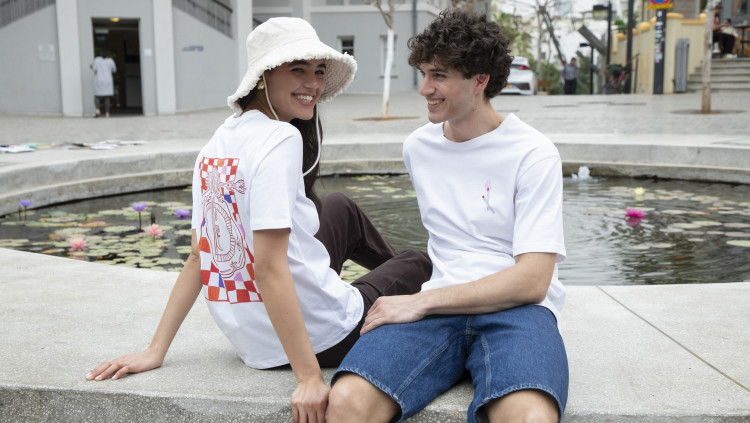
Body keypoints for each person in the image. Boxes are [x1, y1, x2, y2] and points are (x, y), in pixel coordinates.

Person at [85, 17, 431, 423]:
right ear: (263, 76)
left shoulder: (217, 143)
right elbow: (268, 268)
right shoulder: (281, 139)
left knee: (339, 206)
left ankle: (361, 288)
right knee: (417, 262)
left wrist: (155, 350)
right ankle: (404, 304)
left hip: (254, 344)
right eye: (297, 69)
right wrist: (308, 378)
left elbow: (199, 255)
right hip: (326, 337)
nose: (313, 84)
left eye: (319, 71)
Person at [328, 9, 568, 423]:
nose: (425, 89)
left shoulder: (534, 153)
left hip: (518, 311)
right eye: (423, 73)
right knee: (347, 401)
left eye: (438, 75)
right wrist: (428, 303)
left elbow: (532, 281)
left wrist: (420, 301)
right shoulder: (418, 147)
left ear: (480, 80)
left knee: (529, 418)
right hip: (437, 310)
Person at [90, 50, 117, 117]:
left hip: (99, 80)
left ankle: (97, 110)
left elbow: (94, 69)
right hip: (108, 80)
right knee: (107, 97)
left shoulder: (97, 60)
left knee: (97, 96)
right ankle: (107, 113)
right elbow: (114, 70)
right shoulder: (110, 61)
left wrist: (91, 66)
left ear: (100, 54)